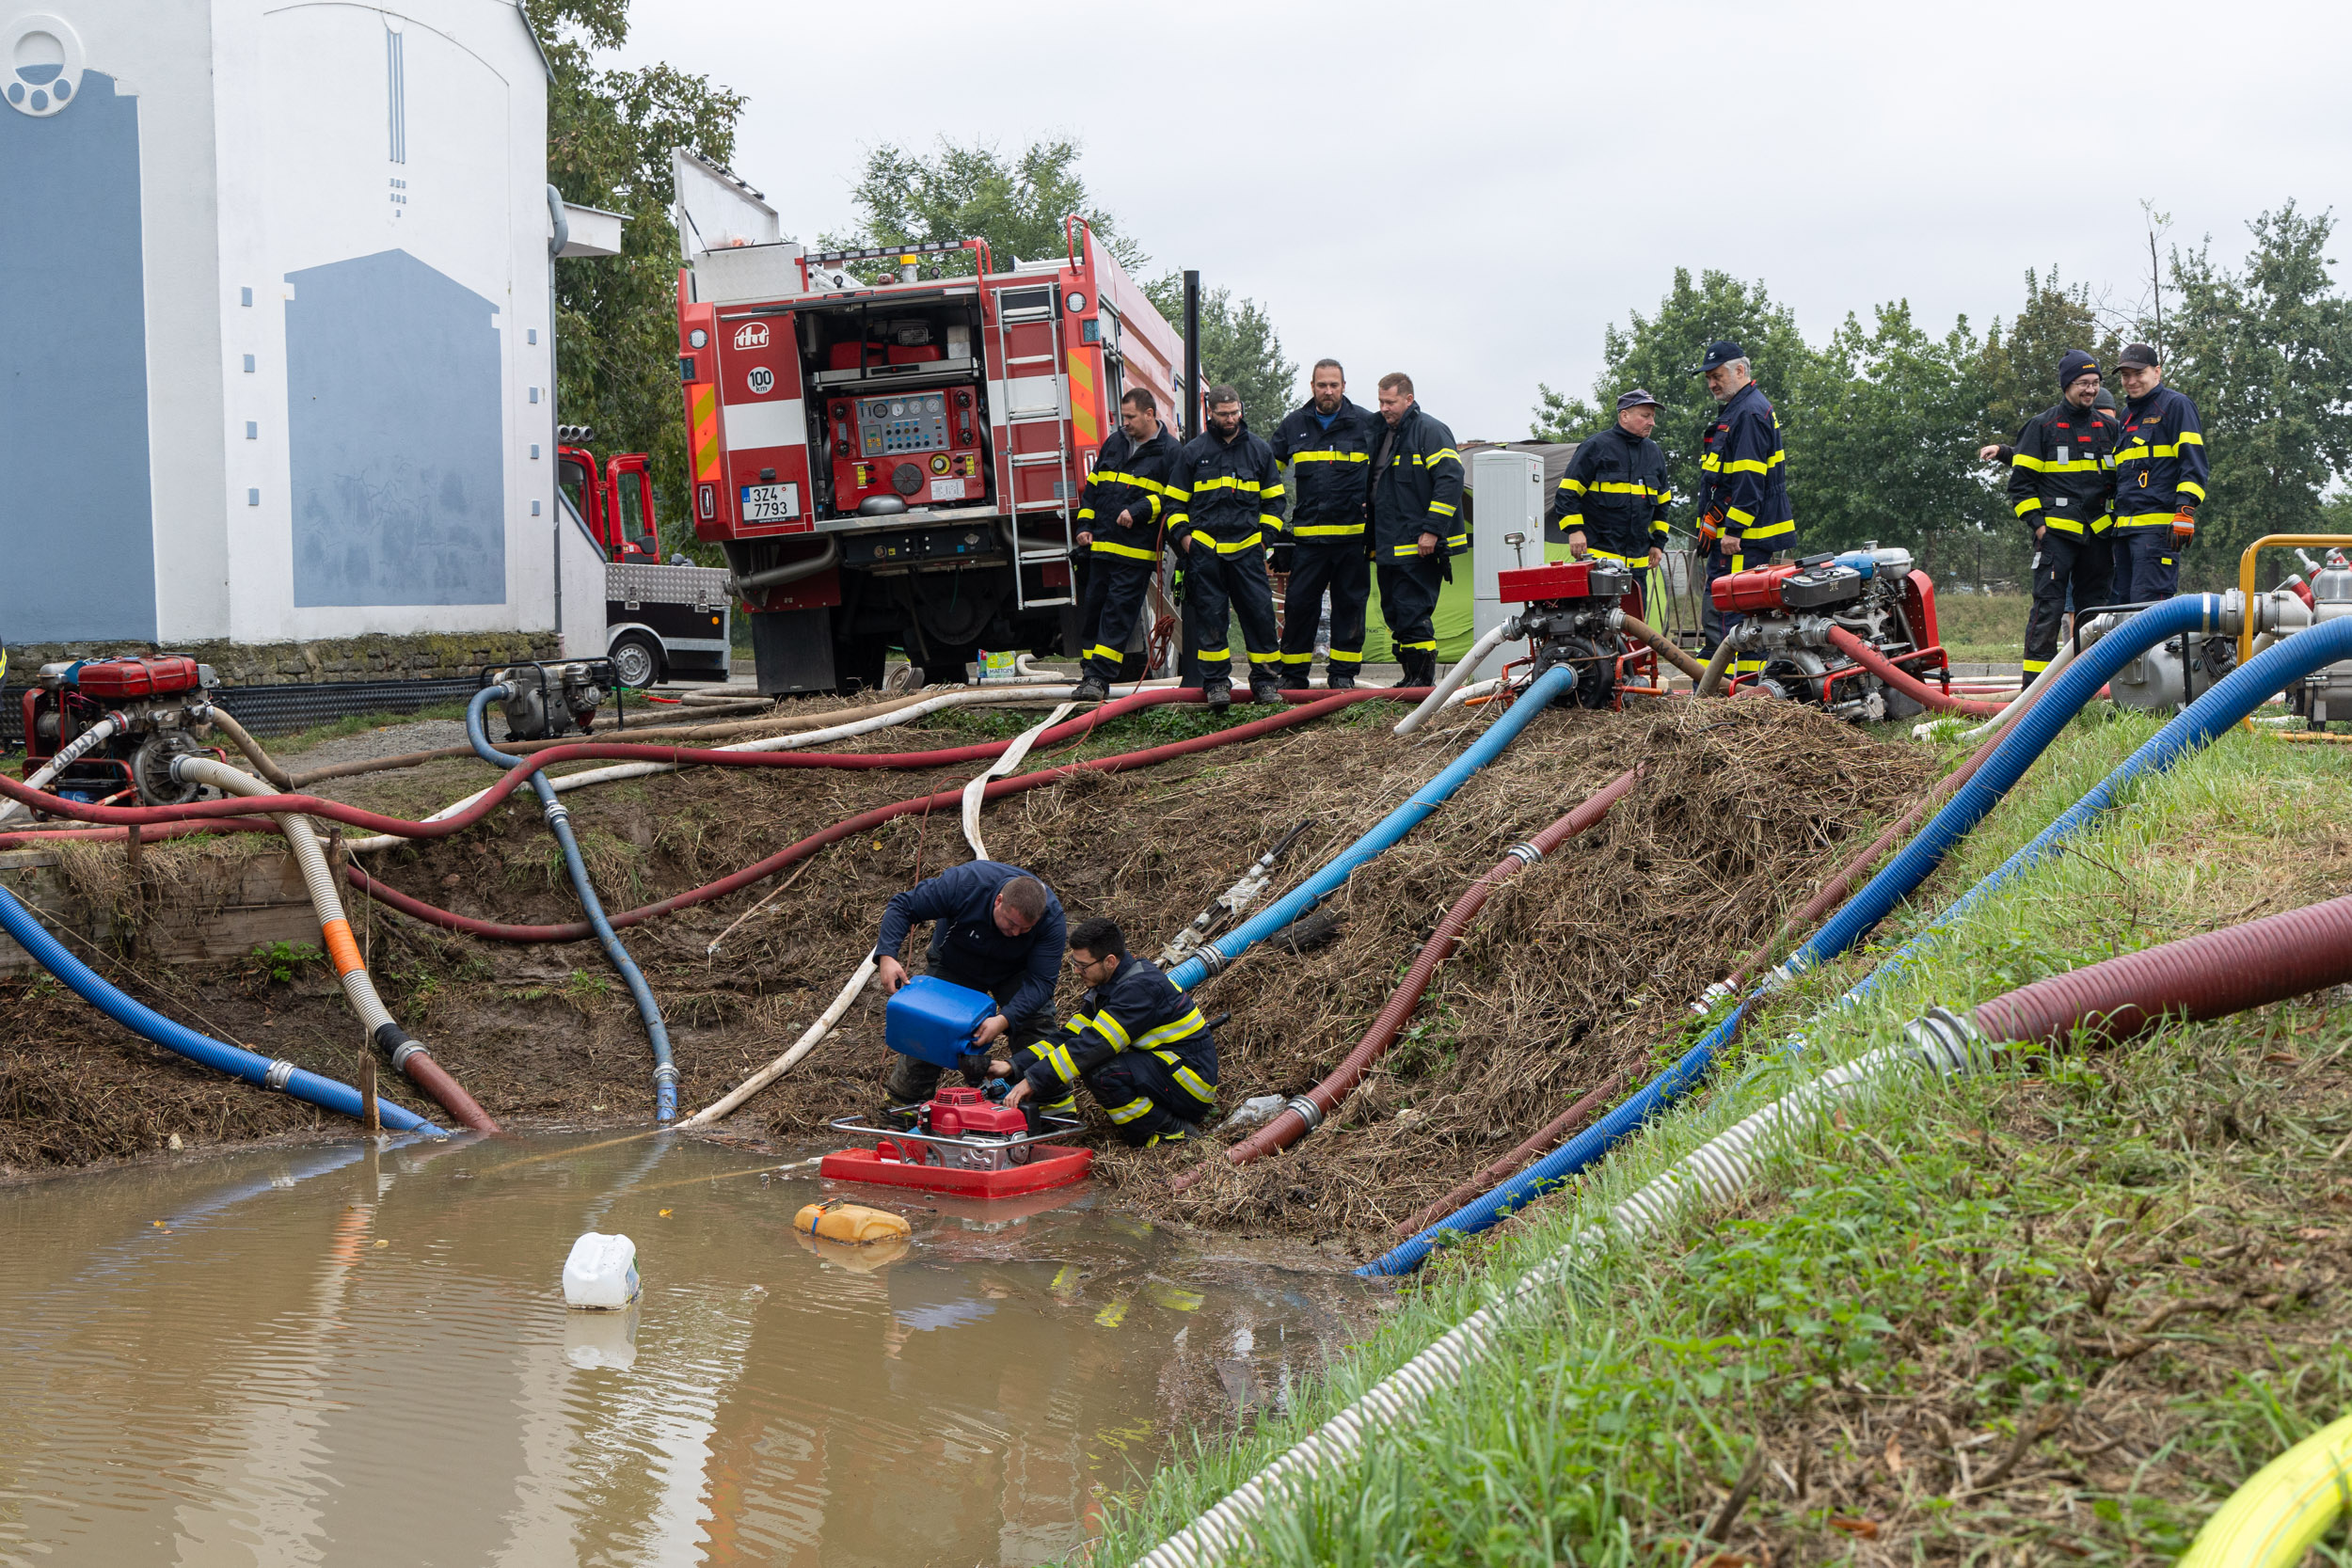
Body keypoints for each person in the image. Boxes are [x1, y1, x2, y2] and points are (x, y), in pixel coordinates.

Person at [991, 916, 1216, 1146]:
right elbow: (1069, 1038)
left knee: (1102, 1071)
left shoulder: (1139, 989)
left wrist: (1033, 1081)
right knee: (1094, 1062)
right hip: (1170, 1069)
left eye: (1083, 965)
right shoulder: (1108, 988)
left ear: (1109, 961)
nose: (1077, 971)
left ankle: (1169, 1131)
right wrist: (1013, 1065)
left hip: (1191, 1084)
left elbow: (1092, 1045)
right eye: (1074, 963)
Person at [872, 861, 1065, 1119]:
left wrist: (1003, 1020)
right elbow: (903, 905)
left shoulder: (1051, 918)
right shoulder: (965, 885)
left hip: (1014, 970)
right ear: (998, 901)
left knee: (1036, 1024)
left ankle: (1053, 1110)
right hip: (955, 961)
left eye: (1025, 929)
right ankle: (899, 1112)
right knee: (929, 1027)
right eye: (1010, 924)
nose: (1015, 933)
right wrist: (886, 956)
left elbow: (1041, 983)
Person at [1167, 385, 1286, 710]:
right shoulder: (1192, 452)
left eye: (1235, 412)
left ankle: (1264, 683)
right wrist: (1186, 540)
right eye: (1224, 414)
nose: (1232, 419)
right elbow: (1174, 504)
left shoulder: (1260, 451)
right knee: (1211, 620)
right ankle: (1217, 684)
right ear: (1210, 413)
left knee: (1260, 617)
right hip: (1205, 552)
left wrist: (1264, 540)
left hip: (1248, 550)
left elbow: (1276, 502)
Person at [2006, 350, 2119, 678]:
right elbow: (2021, 486)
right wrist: (2040, 529)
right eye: (2083, 383)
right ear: (2067, 384)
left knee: (2094, 616)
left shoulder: (2111, 428)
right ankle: (2033, 692)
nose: (2090, 390)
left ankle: (2086, 687)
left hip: (2099, 538)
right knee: (2048, 613)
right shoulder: (2042, 427)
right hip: (2056, 540)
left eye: (2095, 383)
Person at [1269, 360, 1376, 689]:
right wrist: (1274, 528)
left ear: (1344, 386)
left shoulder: (1367, 425)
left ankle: (1343, 676)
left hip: (1352, 541)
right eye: (1321, 385)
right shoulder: (1293, 425)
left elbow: (1385, 475)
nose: (1327, 391)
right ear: (1312, 386)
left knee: (1349, 607)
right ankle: (1293, 678)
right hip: (1308, 542)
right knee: (1300, 607)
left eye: (1334, 384)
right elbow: (1266, 475)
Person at [1692, 341, 1797, 674]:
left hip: (1742, 539)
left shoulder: (1749, 412)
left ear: (1740, 370)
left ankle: (1717, 696)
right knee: (1745, 618)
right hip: (1745, 535)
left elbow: (1749, 479)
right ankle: (1746, 691)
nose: (1712, 384)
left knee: (1726, 616)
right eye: (1708, 378)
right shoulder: (1744, 409)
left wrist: (1733, 529)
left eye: (1717, 375)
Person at [1073, 388, 1182, 702]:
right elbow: (1093, 488)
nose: (1126, 423)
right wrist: (1084, 526)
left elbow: (1175, 498)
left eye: (1131, 417)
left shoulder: (1171, 452)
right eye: (1123, 417)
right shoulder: (1115, 442)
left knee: (1118, 614)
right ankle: (1089, 671)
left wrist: (1141, 509)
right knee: (1093, 610)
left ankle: (1099, 677)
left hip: (1135, 554)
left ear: (1150, 414)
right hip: (1102, 549)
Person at [1367, 372, 1466, 689]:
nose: (1384, 408)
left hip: (1418, 546)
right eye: (1381, 401)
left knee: (1413, 613)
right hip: (1389, 547)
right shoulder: (1384, 434)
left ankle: (1422, 682)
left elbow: (1450, 480)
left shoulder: (1430, 431)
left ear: (1408, 399)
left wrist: (1432, 531)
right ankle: (1410, 678)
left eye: (1390, 402)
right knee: (1396, 614)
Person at [2109, 342, 2208, 603]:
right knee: (2120, 614)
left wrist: (2185, 511)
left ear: (2157, 372)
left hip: (2158, 532)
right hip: (2124, 533)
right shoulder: (2127, 414)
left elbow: (2194, 463)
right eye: (2125, 375)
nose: (2131, 381)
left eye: (2138, 374)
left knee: (2147, 613)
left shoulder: (2176, 405)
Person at [1549, 388, 1672, 580]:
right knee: (1601, 612)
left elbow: (1663, 504)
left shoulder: (1654, 453)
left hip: (1638, 566)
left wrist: (1658, 543)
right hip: (1599, 562)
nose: (1652, 422)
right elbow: (1567, 493)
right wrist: (1574, 531)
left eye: (1653, 417)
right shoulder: (1595, 447)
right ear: (1625, 415)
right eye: (1645, 416)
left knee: (1635, 612)